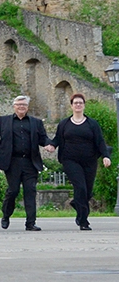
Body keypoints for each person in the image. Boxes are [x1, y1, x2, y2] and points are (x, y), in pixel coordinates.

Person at [0, 95, 55, 231]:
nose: (21, 107)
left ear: (27, 107)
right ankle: (6, 215)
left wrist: (49, 145)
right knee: (13, 191)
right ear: (14, 106)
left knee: (30, 191)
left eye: (24, 105)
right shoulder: (4, 121)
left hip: (30, 161)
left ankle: (30, 223)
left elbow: (43, 138)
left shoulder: (36, 122)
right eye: (19, 105)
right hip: (12, 162)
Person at [53, 93, 112, 230]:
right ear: (72, 106)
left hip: (89, 161)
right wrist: (51, 145)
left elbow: (100, 141)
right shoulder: (64, 124)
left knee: (88, 191)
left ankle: (76, 203)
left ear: (84, 105)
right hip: (70, 160)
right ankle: (83, 220)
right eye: (75, 103)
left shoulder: (92, 124)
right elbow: (57, 139)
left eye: (80, 103)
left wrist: (105, 156)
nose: (78, 105)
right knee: (80, 187)